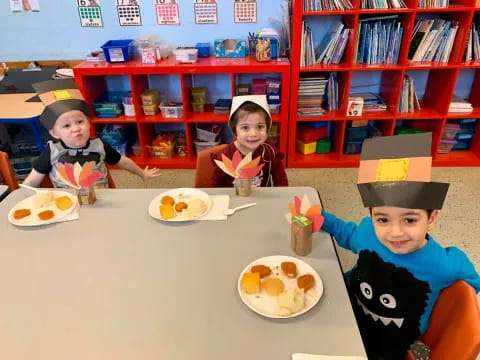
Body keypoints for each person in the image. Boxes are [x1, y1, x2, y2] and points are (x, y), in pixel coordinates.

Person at [320, 133, 479, 360]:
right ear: (372, 216)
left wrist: (446, 308)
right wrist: (322, 218)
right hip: (345, 309)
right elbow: (348, 233)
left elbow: (468, 286)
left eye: (410, 220)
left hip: (388, 345)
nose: (395, 232)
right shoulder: (368, 232)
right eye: (383, 219)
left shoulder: (443, 264)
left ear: (431, 218)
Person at [23, 79, 159, 188]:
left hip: (100, 201)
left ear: (88, 123)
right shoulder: (52, 151)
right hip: (68, 204)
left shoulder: (99, 145)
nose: (76, 128)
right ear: (55, 133)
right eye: (66, 126)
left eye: (80, 122)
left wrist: (142, 173)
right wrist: (20, 196)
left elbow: (123, 162)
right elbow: (33, 179)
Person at [211, 95, 288, 187]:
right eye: (245, 127)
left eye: (260, 126)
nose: (253, 134)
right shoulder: (225, 157)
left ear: (267, 128)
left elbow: (281, 182)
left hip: (263, 199)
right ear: (235, 130)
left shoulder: (270, 152)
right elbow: (216, 188)